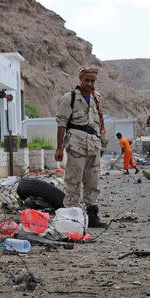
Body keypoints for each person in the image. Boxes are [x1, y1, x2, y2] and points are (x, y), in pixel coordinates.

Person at [54, 65, 108, 228]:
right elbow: (62, 124)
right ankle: (72, 216)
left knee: (93, 181)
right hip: (76, 143)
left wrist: (102, 145)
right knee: (73, 180)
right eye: (87, 80)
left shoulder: (97, 97)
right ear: (80, 80)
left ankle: (92, 215)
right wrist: (59, 148)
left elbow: (99, 123)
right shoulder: (69, 98)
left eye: (92, 81)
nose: (90, 84)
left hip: (93, 145)